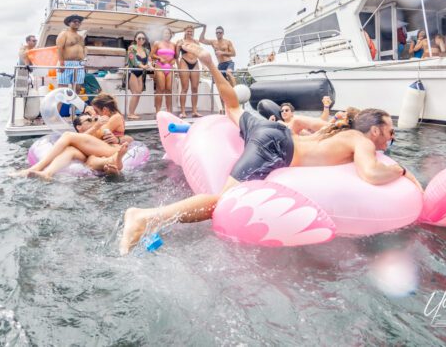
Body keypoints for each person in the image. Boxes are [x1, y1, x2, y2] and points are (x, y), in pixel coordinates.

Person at [119, 43, 421, 254]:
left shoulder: (334, 131)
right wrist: (401, 170)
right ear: (376, 129)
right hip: (276, 147)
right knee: (223, 203)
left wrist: (210, 64)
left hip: (270, 130)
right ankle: (145, 218)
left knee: (234, 107)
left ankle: (210, 64)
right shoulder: (360, 140)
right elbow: (370, 174)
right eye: (390, 133)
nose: (390, 139)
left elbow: (249, 108)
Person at [11, 113, 128, 180]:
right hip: (92, 156)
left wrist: (116, 138)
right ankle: (47, 174)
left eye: (93, 119)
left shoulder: (99, 129)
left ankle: (35, 168)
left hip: (110, 148)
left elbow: (130, 139)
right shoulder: (81, 138)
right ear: (79, 127)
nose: (93, 121)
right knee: (70, 150)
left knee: (67, 135)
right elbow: (81, 139)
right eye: (88, 120)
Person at [176, 26, 202, 118]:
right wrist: (178, 67)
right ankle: (183, 111)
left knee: (195, 88)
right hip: (184, 63)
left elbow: (200, 54)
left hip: (195, 63)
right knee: (185, 88)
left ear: (193, 32)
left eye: (191, 31)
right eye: (188, 31)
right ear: (185, 31)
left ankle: (194, 111)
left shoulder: (196, 42)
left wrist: (204, 66)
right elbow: (176, 56)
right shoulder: (180, 41)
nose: (190, 33)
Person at [126, 31, 151, 120]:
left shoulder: (146, 50)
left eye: (143, 38)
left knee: (138, 93)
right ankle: (130, 113)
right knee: (135, 93)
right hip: (133, 71)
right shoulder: (131, 48)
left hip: (141, 73)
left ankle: (133, 112)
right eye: (139, 38)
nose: (141, 40)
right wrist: (143, 66)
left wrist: (150, 66)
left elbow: (149, 61)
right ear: (135, 38)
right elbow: (133, 60)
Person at [151, 28, 177, 113]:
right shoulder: (157, 43)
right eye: (165, 33)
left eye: (168, 33)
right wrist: (159, 58)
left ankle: (169, 111)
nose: (166, 35)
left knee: (169, 89)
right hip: (160, 67)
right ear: (162, 34)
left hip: (169, 67)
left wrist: (174, 61)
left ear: (170, 35)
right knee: (160, 89)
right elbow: (152, 55)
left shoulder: (174, 44)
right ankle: (158, 111)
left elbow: (175, 57)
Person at [57, 16, 86, 88]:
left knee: (78, 88)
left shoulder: (81, 37)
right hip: (66, 63)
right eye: (75, 21)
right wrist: (61, 63)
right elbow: (59, 48)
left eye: (79, 22)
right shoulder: (64, 34)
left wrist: (84, 62)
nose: (77, 23)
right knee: (63, 89)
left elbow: (83, 49)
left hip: (79, 64)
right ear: (69, 23)